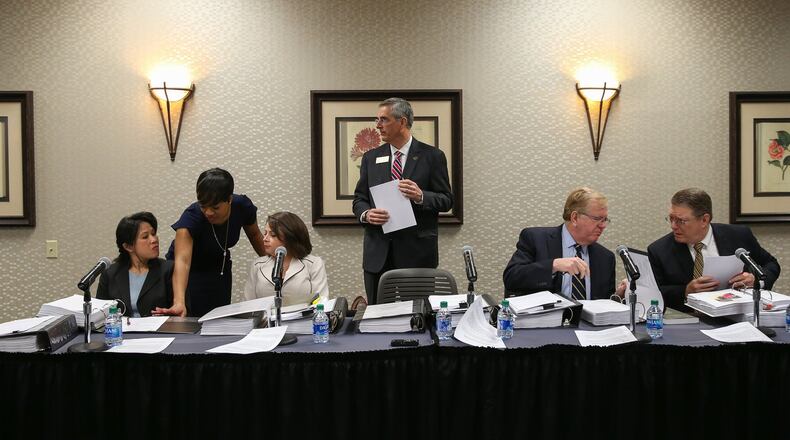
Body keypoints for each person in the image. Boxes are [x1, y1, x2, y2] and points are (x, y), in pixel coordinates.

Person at [352, 97, 453, 304]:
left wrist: (421, 196)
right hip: (378, 254)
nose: (378, 125)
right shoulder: (371, 158)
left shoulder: (432, 156)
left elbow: (446, 200)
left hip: (417, 254)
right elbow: (360, 199)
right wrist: (366, 214)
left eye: (384, 120)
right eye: (377, 119)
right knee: (378, 319)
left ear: (402, 122)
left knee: (418, 318)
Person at [647, 188, 780, 311]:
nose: (673, 226)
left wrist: (757, 280)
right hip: (690, 321)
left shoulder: (738, 236)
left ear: (704, 220)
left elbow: (771, 264)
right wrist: (685, 291)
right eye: (671, 218)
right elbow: (653, 293)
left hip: (738, 315)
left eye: (681, 221)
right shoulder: (659, 250)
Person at [156, 168, 266, 317]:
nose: (208, 212)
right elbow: (182, 261)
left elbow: (254, 235)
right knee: (193, 318)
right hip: (189, 273)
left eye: (215, 207)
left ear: (230, 199)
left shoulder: (242, 207)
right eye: (203, 205)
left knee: (219, 319)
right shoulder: (191, 218)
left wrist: (273, 263)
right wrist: (179, 301)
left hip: (219, 267)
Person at [503, 187, 626, 300]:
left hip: (588, 324)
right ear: (575, 218)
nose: (603, 225)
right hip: (547, 321)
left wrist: (617, 296)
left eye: (605, 220)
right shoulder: (536, 239)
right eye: (597, 219)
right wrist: (553, 265)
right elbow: (511, 278)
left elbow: (602, 305)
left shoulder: (605, 257)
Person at [97, 212, 174, 317]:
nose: (154, 240)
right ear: (128, 246)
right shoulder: (110, 274)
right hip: (120, 332)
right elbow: (100, 315)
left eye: (153, 233)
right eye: (145, 236)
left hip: (158, 332)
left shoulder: (169, 270)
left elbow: (180, 313)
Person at [243, 211, 329, 306]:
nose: (265, 239)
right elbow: (248, 306)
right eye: (265, 233)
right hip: (266, 320)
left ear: (290, 237)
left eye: (273, 235)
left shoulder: (314, 264)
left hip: (303, 320)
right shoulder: (257, 265)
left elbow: (322, 304)